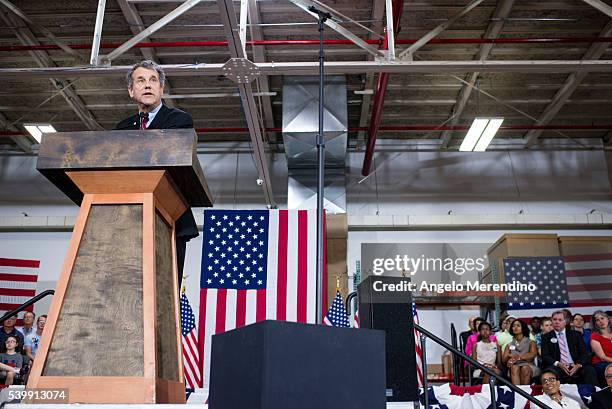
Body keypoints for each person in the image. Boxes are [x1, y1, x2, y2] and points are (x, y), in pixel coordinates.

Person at [116, 60, 198, 285]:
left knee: (165, 288)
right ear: (131, 91)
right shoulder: (121, 128)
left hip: (168, 216)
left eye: (153, 80)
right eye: (141, 81)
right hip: (130, 218)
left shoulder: (179, 120)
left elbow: (165, 158)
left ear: (162, 89)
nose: (148, 85)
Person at [541, 310, 597, 385]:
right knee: (550, 373)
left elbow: (584, 353)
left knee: (590, 370)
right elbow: (545, 356)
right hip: (558, 366)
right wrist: (558, 364)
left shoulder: (576, 335)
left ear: (565, 322)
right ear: (551, 321)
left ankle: (594, 395)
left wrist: (578, 364)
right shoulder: (546, 337)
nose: (557, 322)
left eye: (560, 320)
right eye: (554, 319)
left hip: (575, 365)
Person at [502, 320, 540, 384]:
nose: (515, 327)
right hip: (514, 365)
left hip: (529, 365)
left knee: (525, 368)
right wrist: (509, 357)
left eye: (518, 326)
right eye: (513, 326)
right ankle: (517, 392)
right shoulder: (509, 344)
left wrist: (518, 357)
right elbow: (504, 360)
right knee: (514, 367)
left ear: (523, 328)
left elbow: (533, 354)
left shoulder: (531, 342)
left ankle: (524, 392)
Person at [590, 310, 612, 383]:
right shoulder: (595, 336)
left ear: (608, 319)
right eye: (597, 320)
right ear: (595, 323)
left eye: (602, 318)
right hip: (601, 363)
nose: (600, 321)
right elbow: (602, 357)